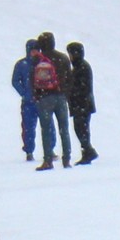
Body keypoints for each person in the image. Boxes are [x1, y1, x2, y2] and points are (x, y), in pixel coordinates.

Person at [30, 31, 71, 171]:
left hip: (45, 97)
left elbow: (32, 79)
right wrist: (64, 93)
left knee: (46, 129)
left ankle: (48, 160)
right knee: (64, 128)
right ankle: (67, 158)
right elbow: (70, 78)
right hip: (60, 97)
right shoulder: (63, 58)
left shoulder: (38, 60)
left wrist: (36, 95)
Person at [66, 40, 97, 165]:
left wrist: (72, 93)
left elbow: (82, 87)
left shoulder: (82, 67)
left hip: (82, 104)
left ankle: (88, 150)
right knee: (80, 128)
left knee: (81, 128)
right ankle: (87, 150)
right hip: (81, 104)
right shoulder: (79, 67)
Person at [11, 40, 38, 162]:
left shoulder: (43, 63)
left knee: (48, 127)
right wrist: (25, 93)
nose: (35, 52)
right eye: (32, 50)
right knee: (28, 127)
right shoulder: (21, 64)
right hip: (28, 102)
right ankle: (29, 151)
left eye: (37, 49)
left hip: (42, 100)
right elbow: (15, 81)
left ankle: (50, 150)